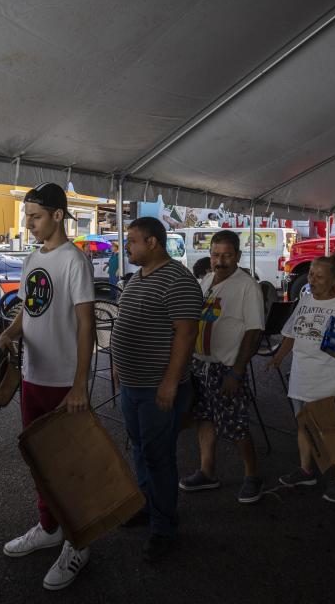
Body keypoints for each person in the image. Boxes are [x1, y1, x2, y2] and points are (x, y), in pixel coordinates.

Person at [0, 182, 96, 591]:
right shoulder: (33, 258)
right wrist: (9, 333)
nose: (29, 225)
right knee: (38, 458)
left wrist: (79, 386)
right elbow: (29, 308)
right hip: (33, 376)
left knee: (68, 465)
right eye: (27, 217)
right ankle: (49, 526)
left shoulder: (74, 261)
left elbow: (87, 326)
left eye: (35, 217)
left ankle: (78, 541)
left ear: (58, 215)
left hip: (62, 381)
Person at [110, 216, 202, 562]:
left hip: (156, 388)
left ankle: (164, 527)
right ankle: (148, 505)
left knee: (158, 456)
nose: (127, 247)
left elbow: (186, 334)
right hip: (134, 385)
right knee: (140, 449)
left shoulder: (178, 280)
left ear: (153, 243)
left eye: (132, 241)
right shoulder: (138, 277)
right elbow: (127, 323)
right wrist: (119, 366)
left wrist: (169, 382)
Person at [268, 257, 335, 503]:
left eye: (319, 276)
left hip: (330, 379)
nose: (312, 280)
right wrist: (277, 358)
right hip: (302, 376)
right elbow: (291, 333)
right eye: (311, 274)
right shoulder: (305, 300)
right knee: (303, 425)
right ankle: (306, 470)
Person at [179, 230, 265, 503]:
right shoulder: (207, 280)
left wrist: (237, 371)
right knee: (204, 419)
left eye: (227, 255)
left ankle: (253, 475)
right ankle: (207, 471)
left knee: (236, 425)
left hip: (226, 368)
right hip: (202, 366)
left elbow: (253, 332)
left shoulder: (246, 286)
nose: (220, 260)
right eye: (216, 255)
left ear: (237, 256)